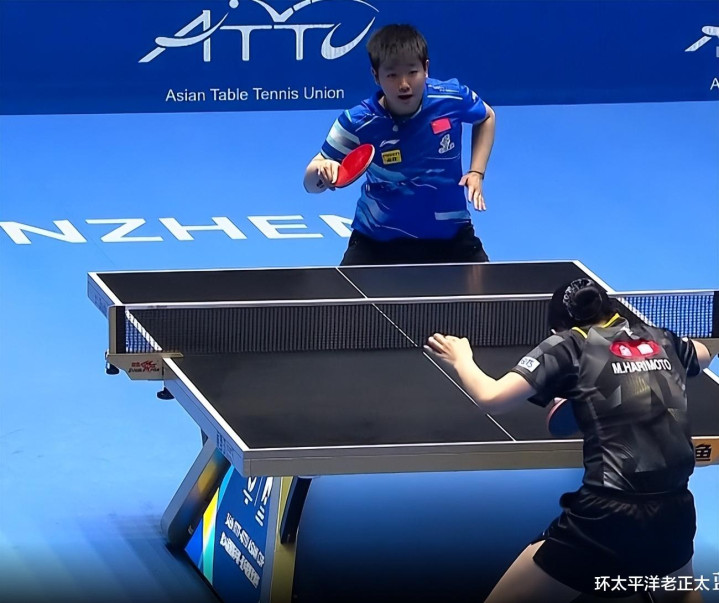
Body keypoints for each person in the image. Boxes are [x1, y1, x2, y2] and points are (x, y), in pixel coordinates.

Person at [425, 278, 714, 603]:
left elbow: (492, 398)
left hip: (607, 516)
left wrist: (460, 358)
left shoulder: (567, 346)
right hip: (675, 508)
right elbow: (704, 355)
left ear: (560, 327)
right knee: (680, 593)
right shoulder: (660, 338)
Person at [303, 24, 496, 266]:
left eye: (412, 72)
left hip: (450, 237)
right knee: (344, 293)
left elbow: (487, 116)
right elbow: (310, 184)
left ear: (426, 68)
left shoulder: (451, 98)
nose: (404, 84)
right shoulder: (359, 121)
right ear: (376, 75)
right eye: (392, 75)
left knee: (489, 292)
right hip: (377, 241)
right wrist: (322, 170)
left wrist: (477, 171)